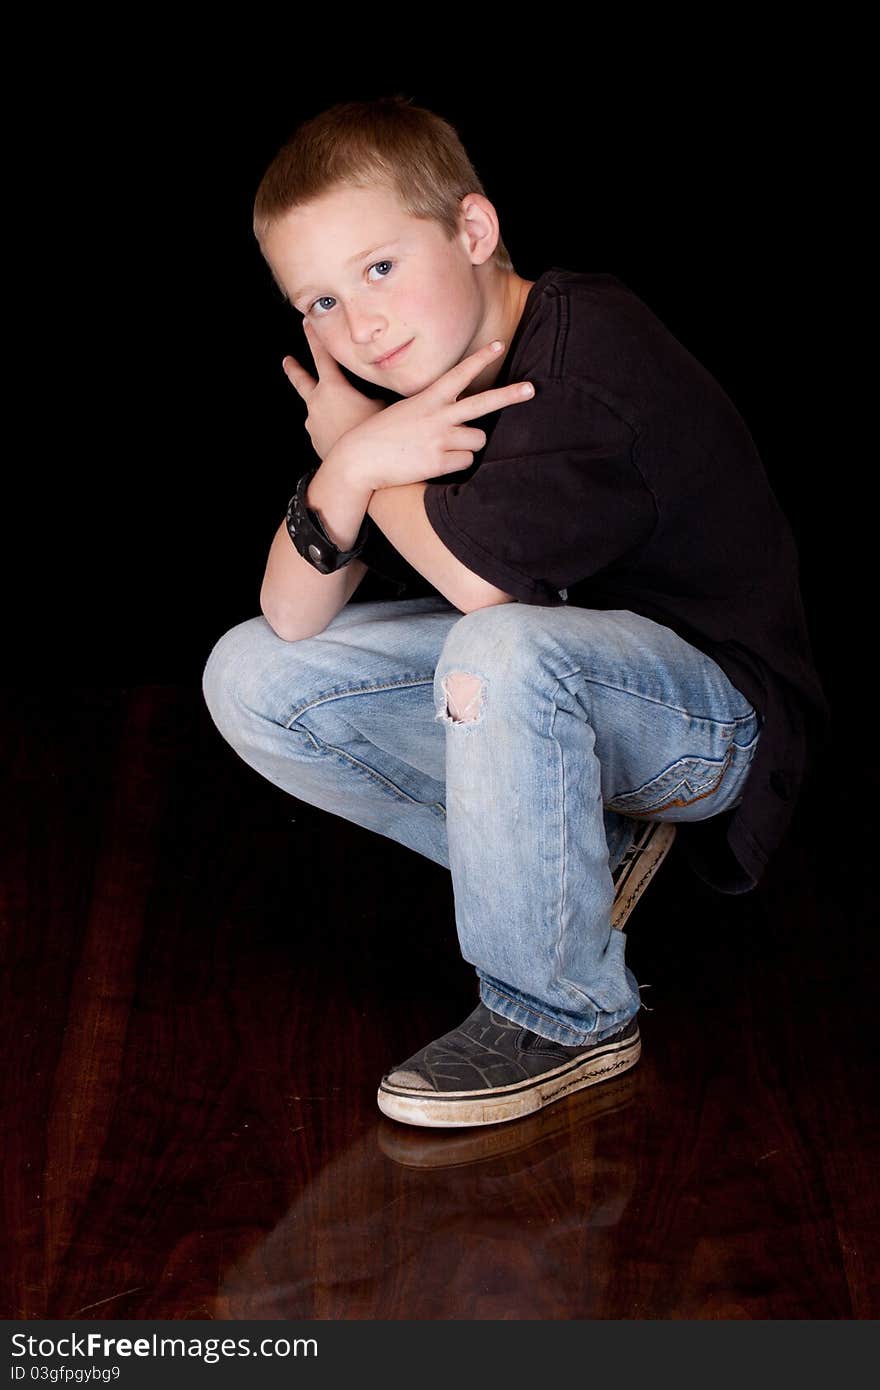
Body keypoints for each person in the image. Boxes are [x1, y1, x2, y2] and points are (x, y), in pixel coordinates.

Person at [201, 94, 831, 1129]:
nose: (357, 323)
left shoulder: (591, 361)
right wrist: (354, 460)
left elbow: (485, 595)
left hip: (713, 724)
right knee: (248, 673)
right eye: (315, 302)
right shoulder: (417, 386)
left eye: (378, 267)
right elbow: (290, 612)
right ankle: (582, 857)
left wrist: (363, 457)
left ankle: (559, 1010)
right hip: (563, 696)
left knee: (498, 645)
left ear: (473, 230)